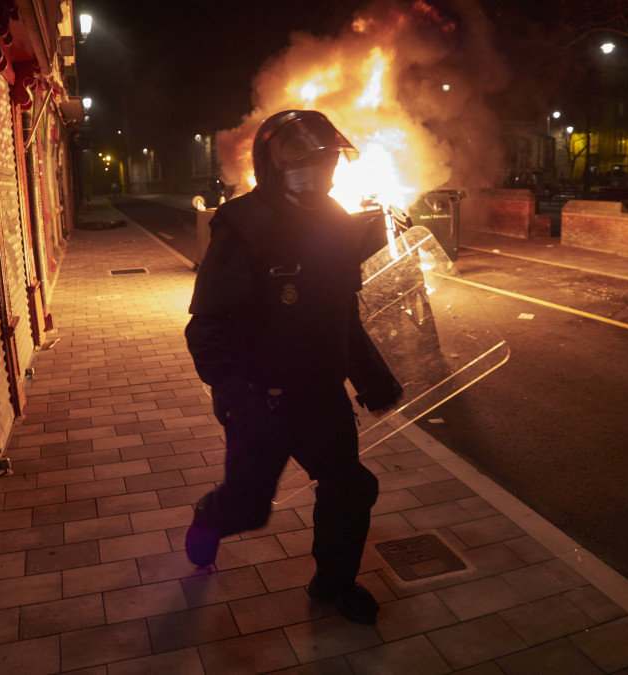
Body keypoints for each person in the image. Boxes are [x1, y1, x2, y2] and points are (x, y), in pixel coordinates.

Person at [183, 110, 402, 624]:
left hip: (322, 395)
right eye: (306, 163)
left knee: (351, 489)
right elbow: (206, 328)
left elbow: (340, 312)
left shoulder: (334, 222)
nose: (321, 173)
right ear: (274, 166)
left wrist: (369, 374)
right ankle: (209, 517)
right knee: (250, 508)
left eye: (327, 162)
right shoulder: (244, 227)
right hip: (263, 398)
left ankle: (333, 584)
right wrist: (239, 398)